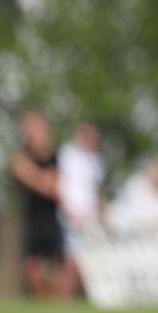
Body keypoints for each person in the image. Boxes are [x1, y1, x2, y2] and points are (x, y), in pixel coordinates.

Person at [10, 111, 66, 298]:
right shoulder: (21, 157)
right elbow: (39, 181)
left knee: (59, 270)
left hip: (53, 220)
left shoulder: (57, 158)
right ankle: (44, 303)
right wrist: (42, 179)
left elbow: (55, 189)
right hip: (32, 220)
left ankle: (57, 304)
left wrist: (36, 177)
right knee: (32, 269)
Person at [56, 121, 106, 297]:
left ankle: (71, 297)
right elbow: (61, 182)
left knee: (84, 261)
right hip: (73, 216)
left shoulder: (96, 160)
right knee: (72, 260)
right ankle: (63, 297)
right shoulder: (68, 154)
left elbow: (97, 190)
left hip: (89, 219)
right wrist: (67, 207)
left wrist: (101, 213)